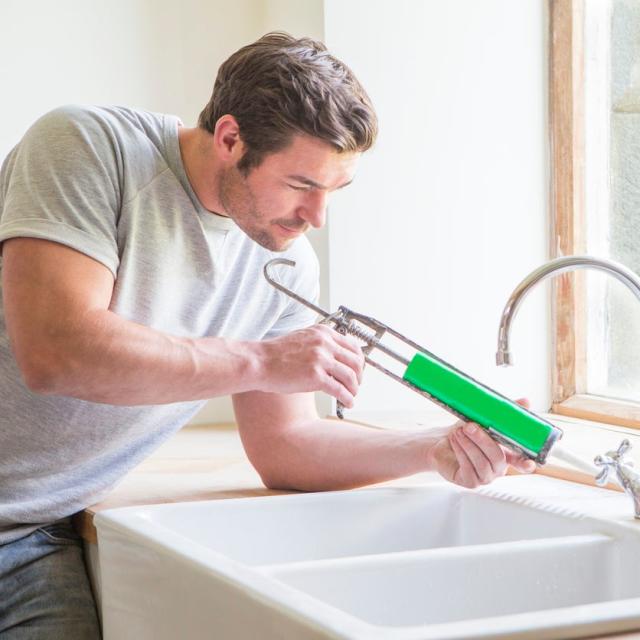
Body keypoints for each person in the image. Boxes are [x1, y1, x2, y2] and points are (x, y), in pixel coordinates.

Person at [0, 32, 535, 638]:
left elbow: (288, 447)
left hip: (33, 536)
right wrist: (260, 361)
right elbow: (54, 351)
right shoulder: (89, 147)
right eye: (302, 185)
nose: (317, 217)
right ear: (230, 139)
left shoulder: (285, 267)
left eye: (336, 190)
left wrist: (431, 449)